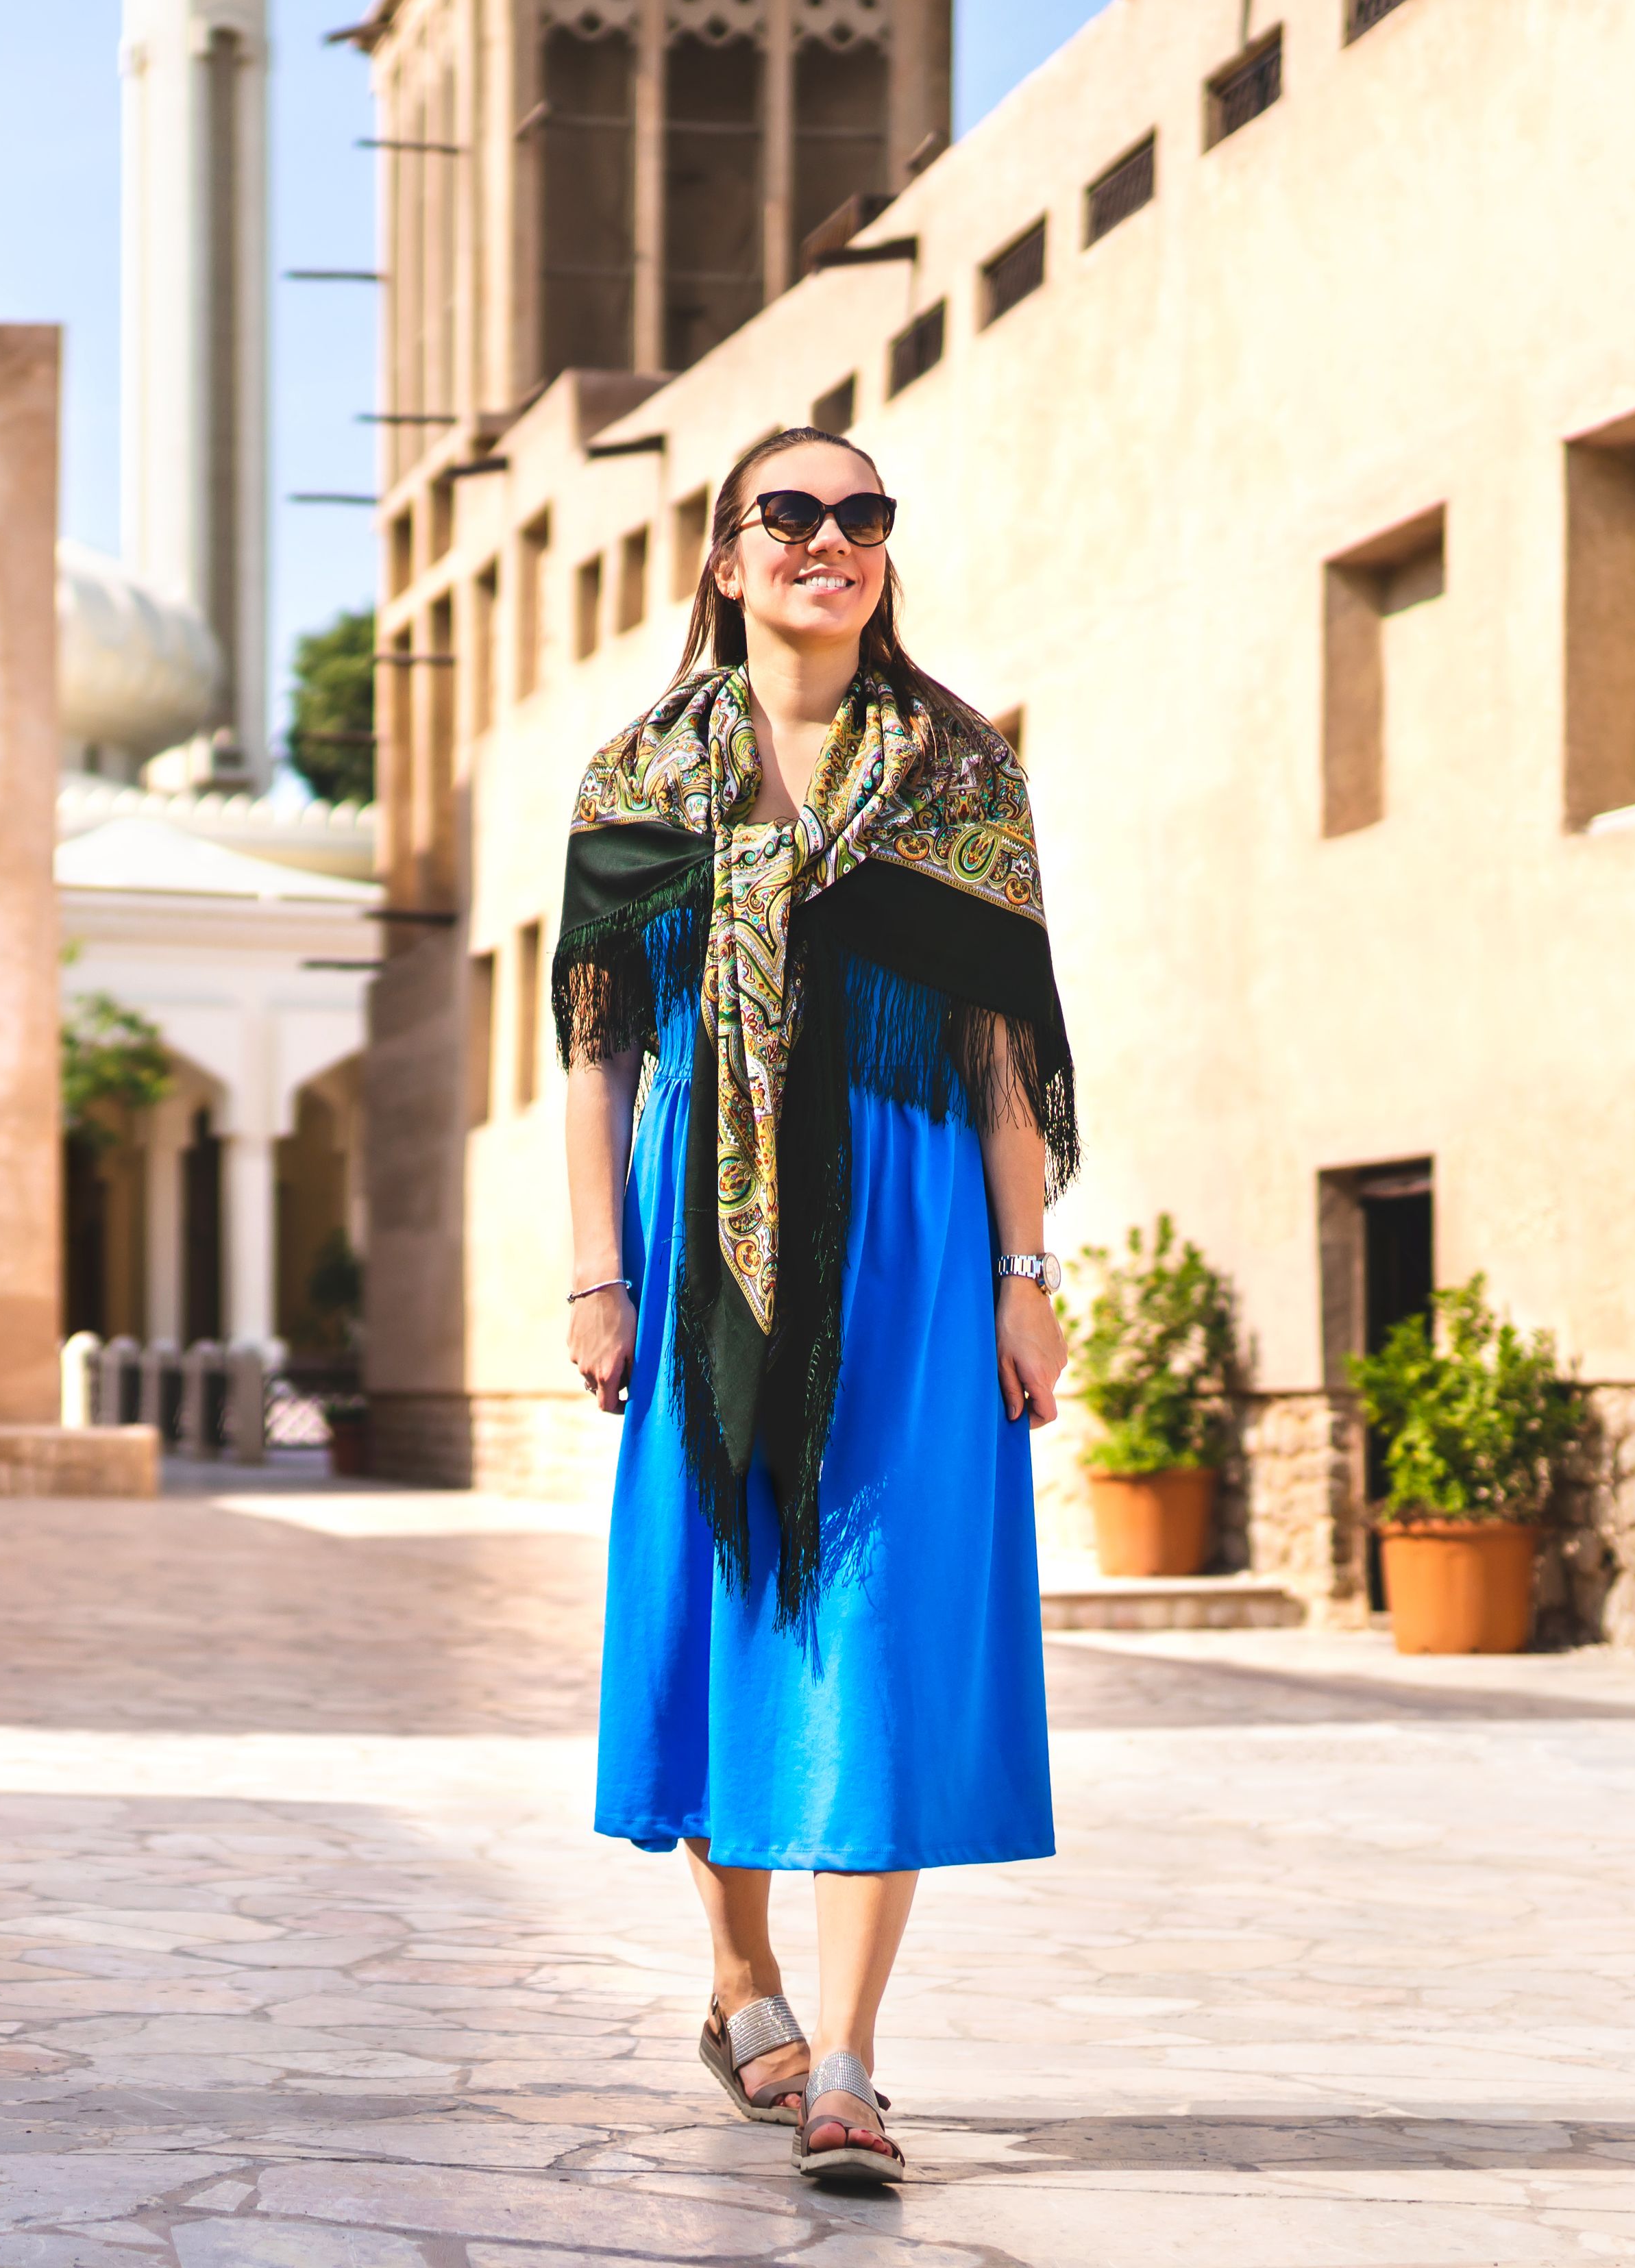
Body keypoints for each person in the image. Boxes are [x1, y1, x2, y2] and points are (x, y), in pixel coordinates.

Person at [554, 423, 1077, 2189]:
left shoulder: (956, 770)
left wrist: (1026, 1274)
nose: (829, 540)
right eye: (792, 514)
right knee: (725, 1606)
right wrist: (594, 1269)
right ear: (724, 557)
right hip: (707, 1242)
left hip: (921, 1247)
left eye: (861, 517)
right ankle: (740, 1977)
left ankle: (849, 2060)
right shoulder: (634, 783)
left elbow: (1006, 1046)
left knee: (887, 1618)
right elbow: (599, 1045)